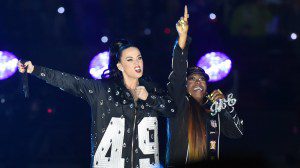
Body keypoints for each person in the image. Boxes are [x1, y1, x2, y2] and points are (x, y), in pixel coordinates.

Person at [18, 39, 176, 168]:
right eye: (130, 59)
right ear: (119, 66)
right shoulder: (101, 90)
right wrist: (35, 70)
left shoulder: (152, 90)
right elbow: (69, 81)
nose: (137, 63)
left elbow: (173, 110)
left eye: (139, 57)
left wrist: (149, 98)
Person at [167, 6, 244, 167]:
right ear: (185, 84)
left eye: (202, 80)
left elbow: (236, 133)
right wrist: (182, 38)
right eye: (192, 79)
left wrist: (225, 108)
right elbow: (178, 73)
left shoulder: (213, 109)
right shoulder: (178, 104)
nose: (198, 82)